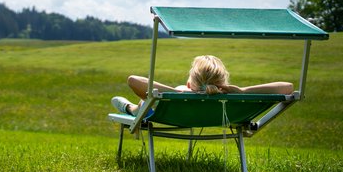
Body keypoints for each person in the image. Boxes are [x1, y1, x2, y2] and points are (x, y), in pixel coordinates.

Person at [111, 55, 294, 116]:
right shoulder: (231, 97)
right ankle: (131, 107)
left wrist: (176, 91)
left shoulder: (181, 92)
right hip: (205, 115)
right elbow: (287, 87)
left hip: (155, 113)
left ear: (190, 83)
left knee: (141, 106)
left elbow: (133, 80)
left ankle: (129, 108)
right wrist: (244, 91)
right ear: (223, 83)